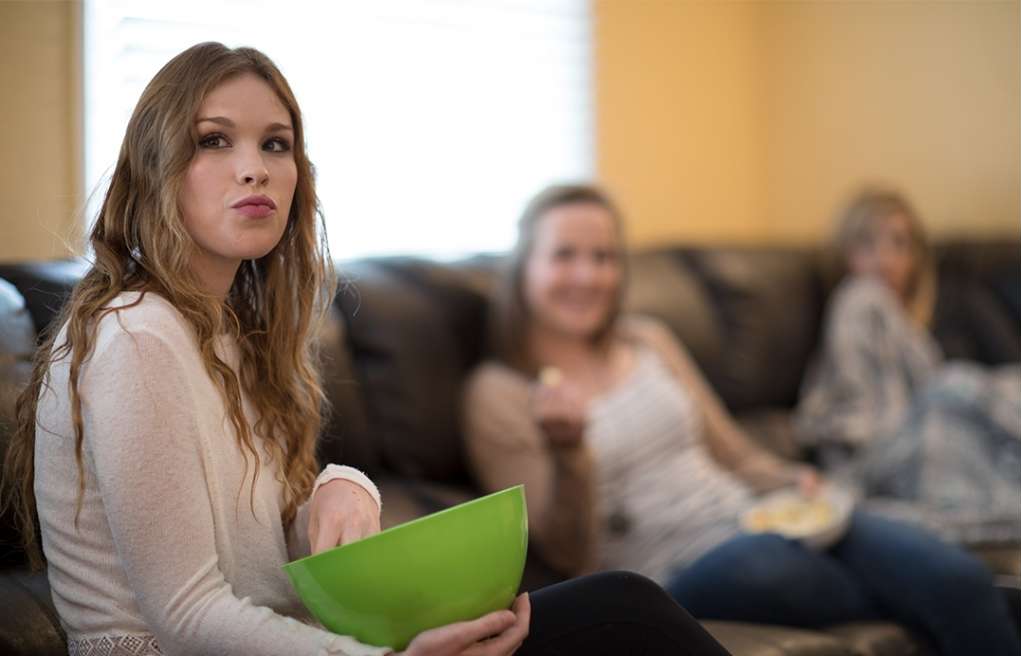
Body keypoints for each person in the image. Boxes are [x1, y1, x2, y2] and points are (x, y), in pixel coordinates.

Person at [0, 44, 731, 656]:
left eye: (275, 143)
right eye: (214, 140)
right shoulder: (136, 333)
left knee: (611, 611)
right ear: (158, 164)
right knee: (623, 611)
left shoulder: (223, 332)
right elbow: (185, 612)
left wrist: (341, 485)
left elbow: (264, 545)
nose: (253, 167)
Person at [462, 183, 1021, 656]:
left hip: (762, 518)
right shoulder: (499, 393)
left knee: (956, 575)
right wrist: (569, 451)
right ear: (524, 267)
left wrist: (791, 480)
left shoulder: (648, 338)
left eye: (604, 257)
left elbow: (729, 449)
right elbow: (568, 554)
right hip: (682, 567)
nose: (588, 276)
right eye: (565, 255)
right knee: (775, 569)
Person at [795, 188, 1021, 544]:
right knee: (953, 384)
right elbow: (862, 409)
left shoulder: (956, 300)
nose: (884, 259)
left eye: (898, 243)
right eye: (867, 244)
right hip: (909, 446)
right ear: (846, 254)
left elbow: (1008, 369)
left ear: (916, 253)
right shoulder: (858, 303)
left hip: (979, 433)